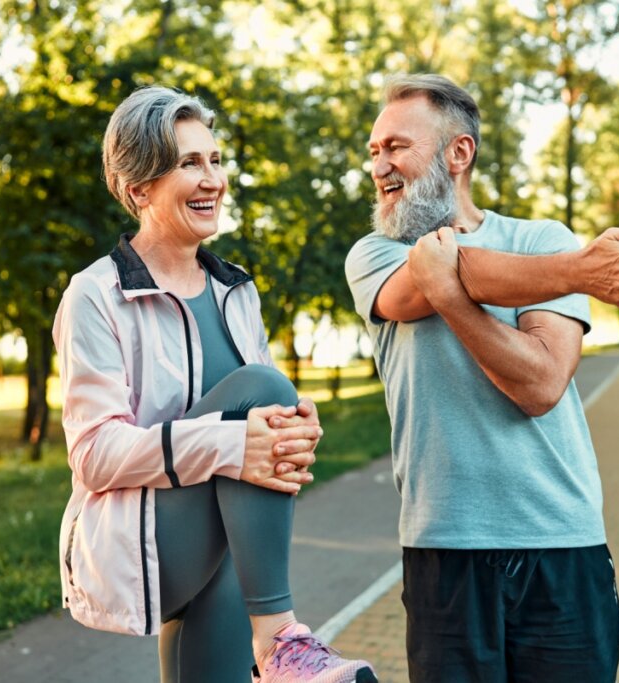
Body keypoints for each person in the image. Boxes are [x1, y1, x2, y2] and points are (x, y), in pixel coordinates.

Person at [345, 74, 619, 682]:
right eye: (375, 150)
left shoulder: (543, 239)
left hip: (562, 544)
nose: (378, 164)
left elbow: (539, 386)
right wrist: (578, 272)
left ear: (459, 153)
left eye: (396, 146)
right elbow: (424, 283)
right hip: (443, 552)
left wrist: (454, 294)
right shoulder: (374, 255)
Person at [53, 86, 377, 683]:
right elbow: (94, 455)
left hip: (222, 546)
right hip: (144, 541)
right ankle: (280, 642)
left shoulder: (235, 290)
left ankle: (274, 650)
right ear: (139, 189)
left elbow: (263, 426)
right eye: (188, 163)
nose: (213, 179)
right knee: (261, 387)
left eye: (216, 160)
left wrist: (297, 429)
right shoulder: (96, 294)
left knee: (272, 398)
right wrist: (236, 445)